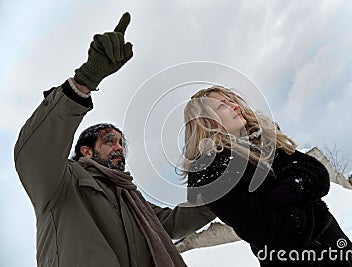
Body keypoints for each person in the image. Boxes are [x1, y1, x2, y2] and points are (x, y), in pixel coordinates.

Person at [14, 13, 214, 267]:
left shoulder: (132, 199)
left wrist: (218, 188)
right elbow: (35, 152)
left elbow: (173, 223)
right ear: (86, 151)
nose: (119, 147)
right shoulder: (61, 182)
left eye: (121, 142)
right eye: (109, 140)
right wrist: (84, 81)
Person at [181, 85, 352, 266]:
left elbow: (317, 173)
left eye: (232, 100)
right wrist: (313, 207)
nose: (235, 106)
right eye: (223, 105)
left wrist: (289, 191)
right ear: (206, 122)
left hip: (337, 245)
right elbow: (271, 232)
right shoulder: (212, 175)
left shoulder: (262, 142)